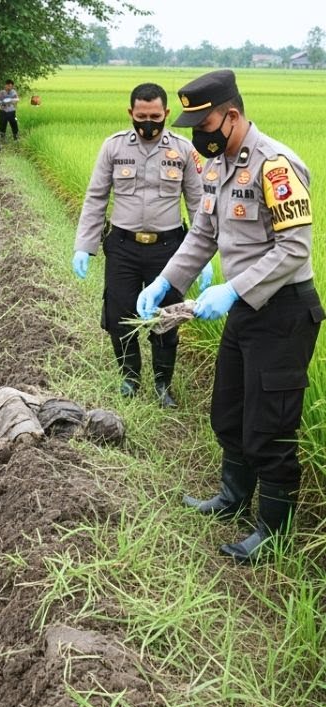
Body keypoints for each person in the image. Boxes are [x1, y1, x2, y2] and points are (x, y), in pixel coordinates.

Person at [137, 69, 318, 564]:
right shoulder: (218, 165)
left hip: (282, 313)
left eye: (204, 123)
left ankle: (272, 532)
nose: (199, 134)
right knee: (230, 411)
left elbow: (296, 247)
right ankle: (233, 498)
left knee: (269, 426)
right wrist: (166, 282)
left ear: (231, 115)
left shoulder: (275, 166)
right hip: (243, 311)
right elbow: (202, 235)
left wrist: (233, 288)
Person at [71, 82, 208, 408]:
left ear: (167, 114)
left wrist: (202, 258)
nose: (149, 122)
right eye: (142, 116)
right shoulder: (114, 148)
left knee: (166, 318)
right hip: (123, 246)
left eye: (156, 116)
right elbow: (96, 198)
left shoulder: (184, 149)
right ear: (131, 113)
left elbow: (199, 203)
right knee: (120, 317)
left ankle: (163, 385)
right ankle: (130, 377)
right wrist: (84, 245)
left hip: (170, 248)